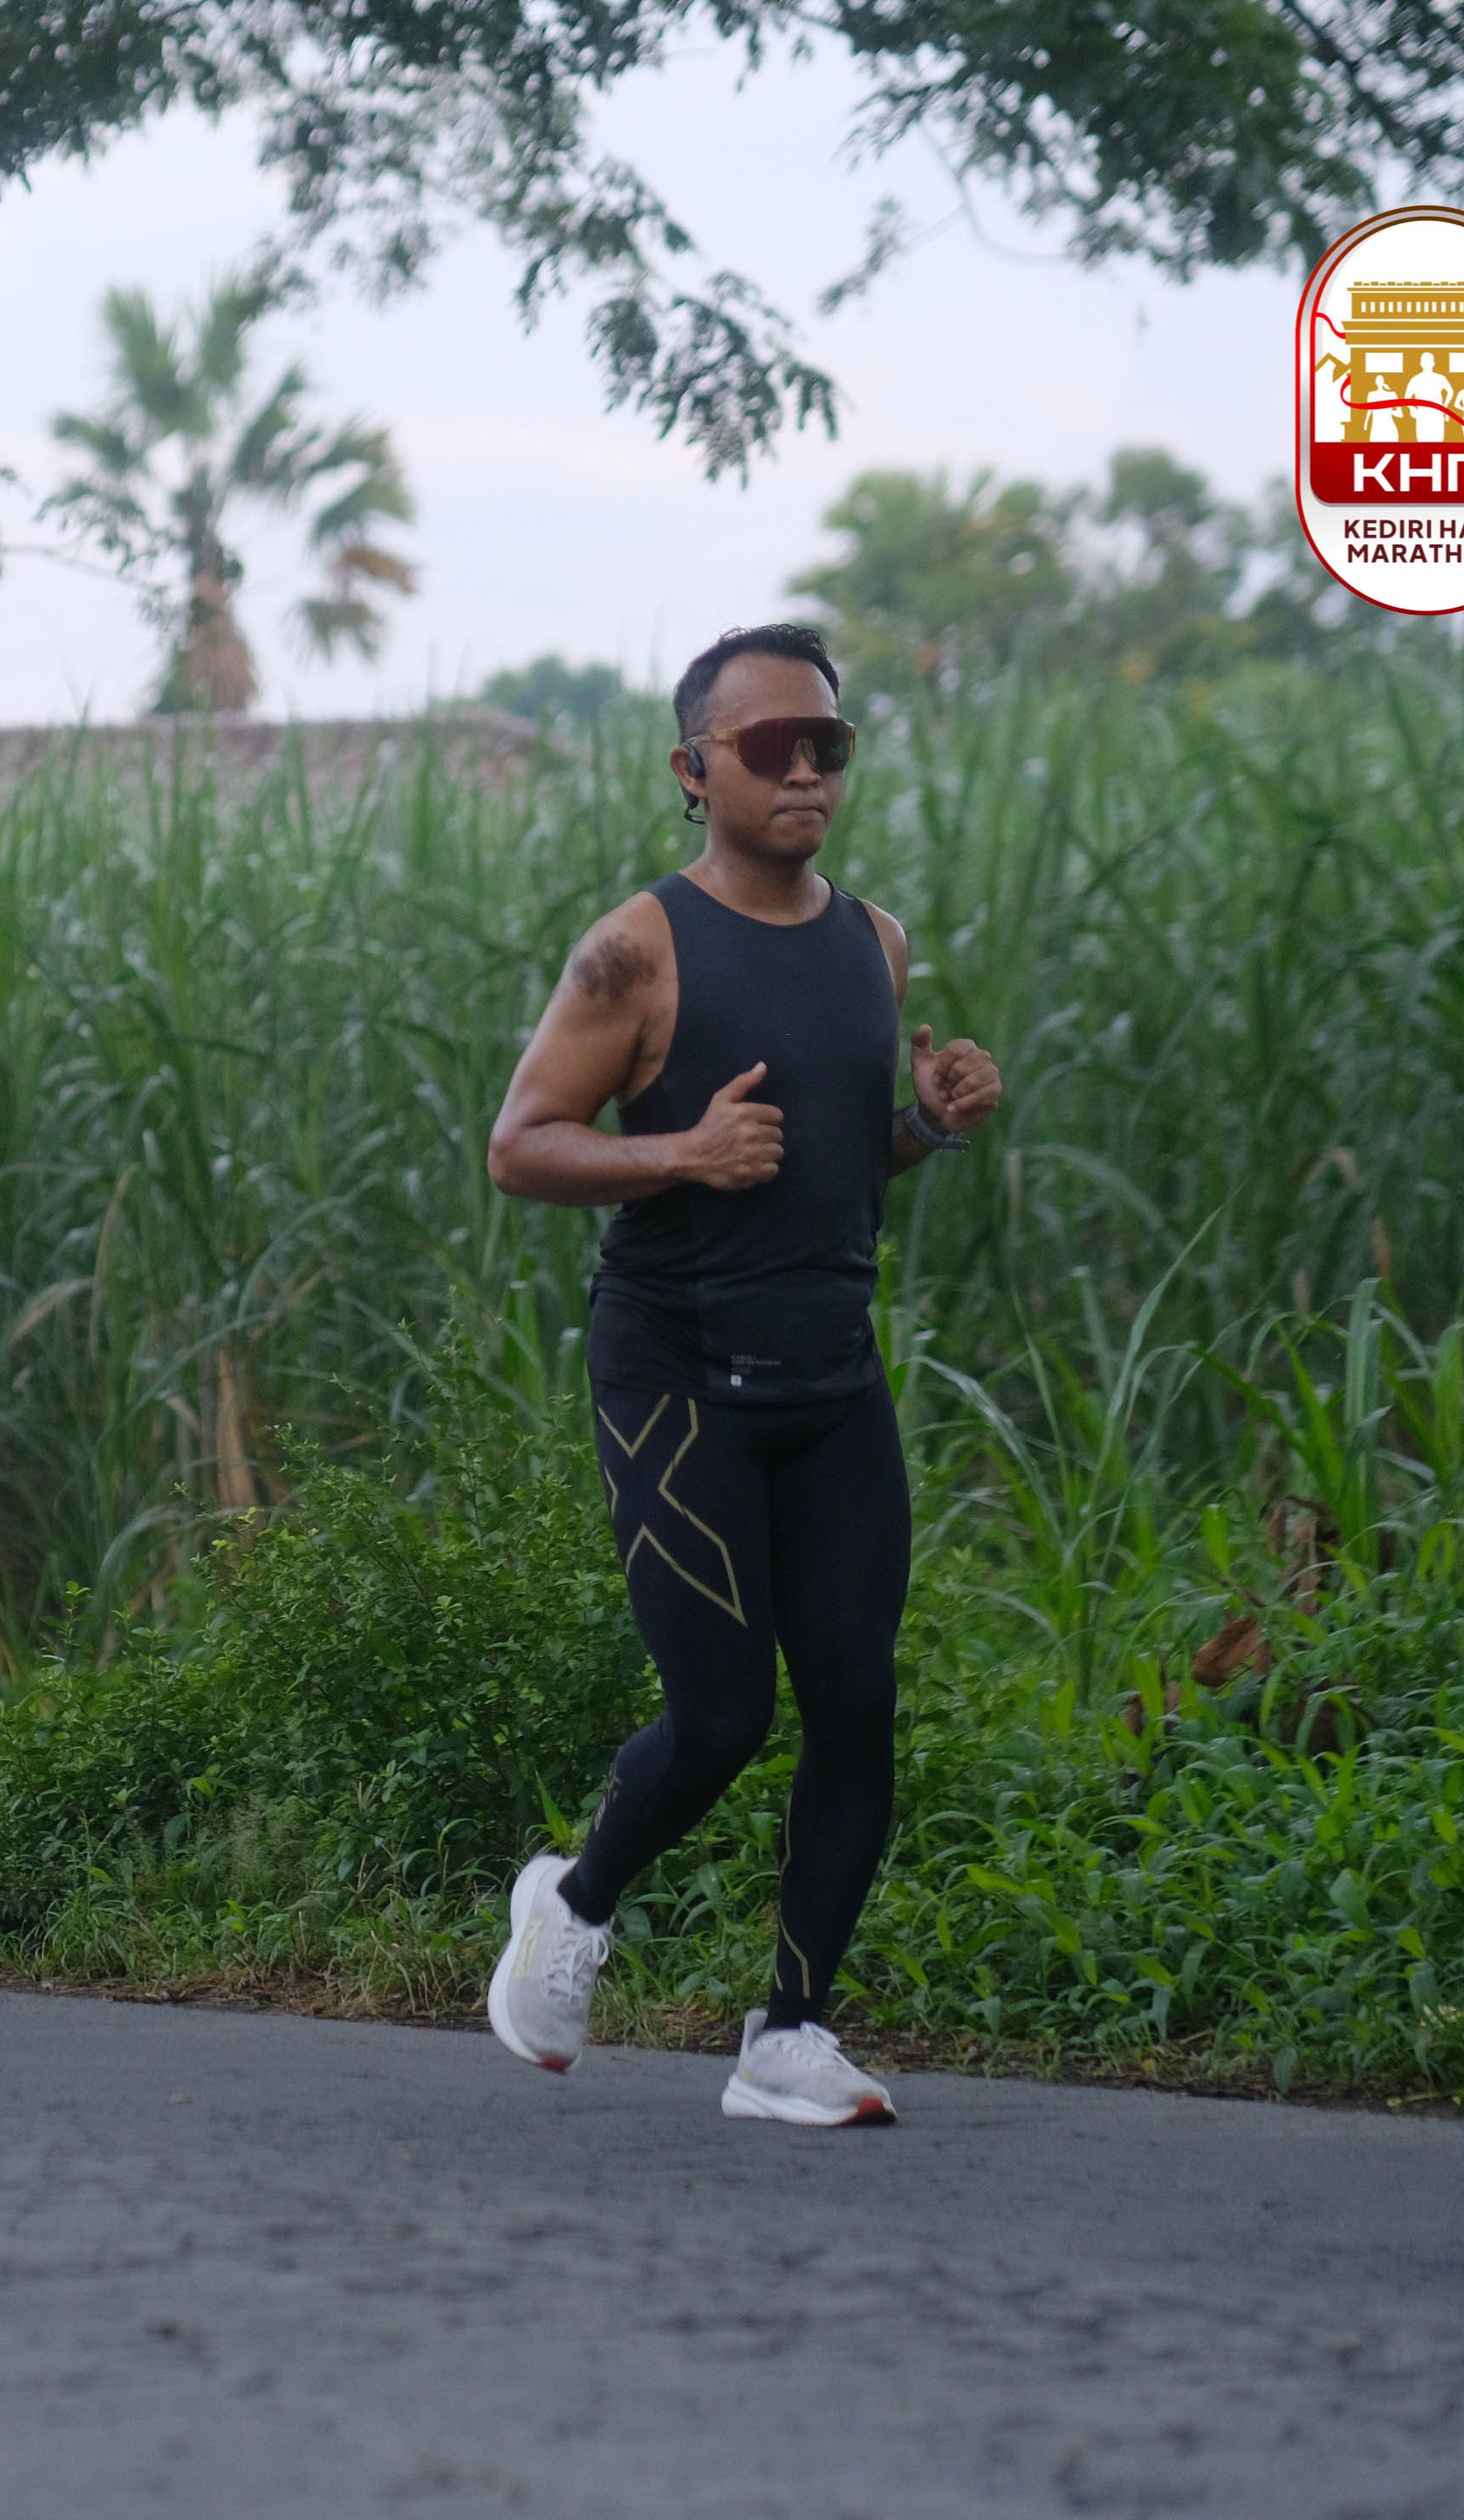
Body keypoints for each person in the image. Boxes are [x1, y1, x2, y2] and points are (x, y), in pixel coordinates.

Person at [480, 623, 1003, 2125]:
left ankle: (791, 2032)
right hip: (679, 1376)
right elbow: (520, 1145)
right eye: (770, 745)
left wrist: (928, 1122)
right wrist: (681, 1154)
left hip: (832, 1382)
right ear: (693, 767)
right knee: (719, 1717)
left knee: (856, 1708)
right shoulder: (636, 948)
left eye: (827, 743)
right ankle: (572, 1902)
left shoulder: (875, 943)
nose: (804, 770)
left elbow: (836, 1162)